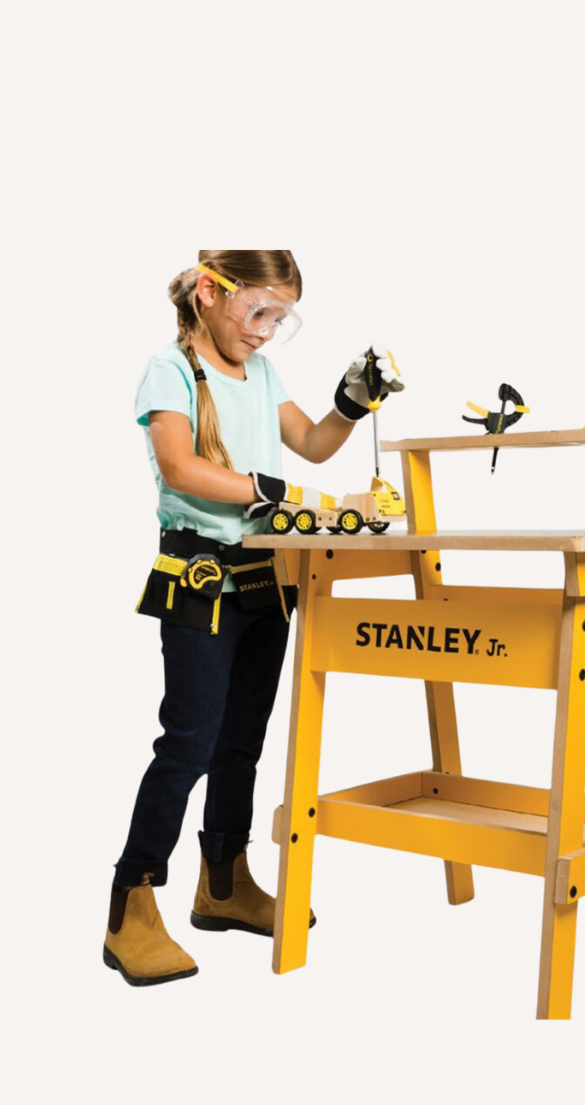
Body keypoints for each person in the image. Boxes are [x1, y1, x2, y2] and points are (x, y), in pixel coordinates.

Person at [104, 250, 404, 986]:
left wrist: (350, 404)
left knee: (242, 744)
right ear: (210, 292)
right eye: (258, 312)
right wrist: (267, 489)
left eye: (280, 318)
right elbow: (179, 465)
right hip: (202, 580)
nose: (267, 332)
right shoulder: (169, 370)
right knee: (189, 744)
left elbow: (314, 444)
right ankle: (131, 905)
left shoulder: (262, 374)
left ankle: (226, 883)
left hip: (267, 579)